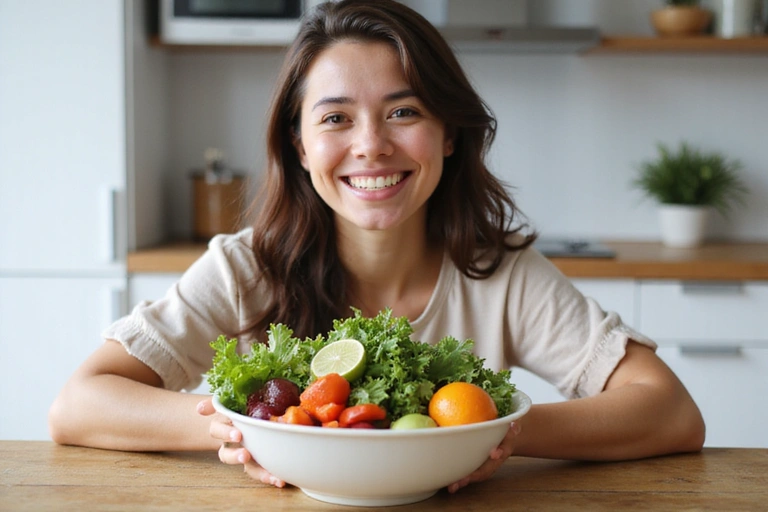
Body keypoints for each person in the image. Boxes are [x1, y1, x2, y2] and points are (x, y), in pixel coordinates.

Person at [49, 0, 705, 494]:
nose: (371, 146)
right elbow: (79, 403)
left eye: (404, 111)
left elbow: (671, 411)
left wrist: (486, 436)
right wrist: (250, 432)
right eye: (335, 118)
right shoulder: (246, 266)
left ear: (449, 133)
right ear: (301, 147)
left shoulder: (499, 272)